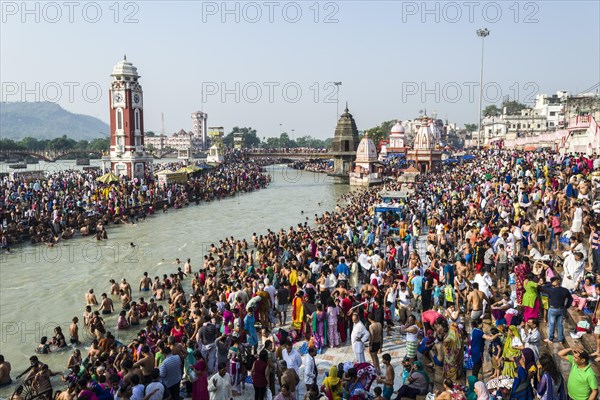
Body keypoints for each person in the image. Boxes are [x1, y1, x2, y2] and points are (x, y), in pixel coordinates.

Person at [540, 277, 573, 343]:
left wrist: (550, 284)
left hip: (553, 309)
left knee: (552, 324)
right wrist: (567, 306)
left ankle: (551, 339)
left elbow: (543, 287)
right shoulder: (565, 290)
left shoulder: (551, 290)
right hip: (561, 309)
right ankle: (560, 339)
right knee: (560, 324)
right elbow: (570, 299)